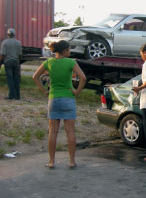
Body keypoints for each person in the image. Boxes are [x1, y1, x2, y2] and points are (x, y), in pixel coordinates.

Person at [32, 40, 86, 169]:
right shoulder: (71, 62)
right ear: (65, 51)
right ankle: (71, 161)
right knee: (70, 132)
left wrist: (44, 91)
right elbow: (83, 78)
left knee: (53, 131)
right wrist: (77, 91)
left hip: (54, 99)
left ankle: (51, 161)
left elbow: (35, 77)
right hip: (68, 98)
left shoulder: (49, 62)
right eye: (69, 49)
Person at [0, 28, 22, 100]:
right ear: (14, 34)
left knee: (10, 78)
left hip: (8, 61)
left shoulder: (5, 43)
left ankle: (11, 95)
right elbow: (20, 55)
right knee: (16, 78)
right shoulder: (18, 43)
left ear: (8, 34)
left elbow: (2, 54)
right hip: (16, 61)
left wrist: (0, 62)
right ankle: (17, 95)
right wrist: (18, 63)